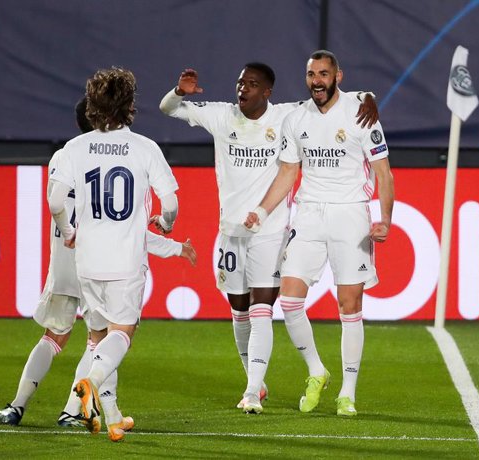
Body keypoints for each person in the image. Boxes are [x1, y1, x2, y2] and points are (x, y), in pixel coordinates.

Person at [160, 64, 379, 413]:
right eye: (240, 82)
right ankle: (260, 381)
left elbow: (330, 99)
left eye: (251, 84)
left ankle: (249, 393)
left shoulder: (286, 115)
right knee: (239, 312)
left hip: (270, 230)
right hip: (231, 232)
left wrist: (368, 97)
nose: (242, 89)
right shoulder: (221, 116)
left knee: (263, 308)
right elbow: (167, 109)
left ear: (267, 92)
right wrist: (179, 92)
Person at [0, 92, 191, 441]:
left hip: (65, 257)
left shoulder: (66, 153)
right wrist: (174, 245)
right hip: (99, 254)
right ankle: (73, 409)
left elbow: (56, 201)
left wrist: (67, 231)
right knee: (105, 337)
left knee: (53, 336)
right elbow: (132, 220)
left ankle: (18, 405)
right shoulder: (135, 151)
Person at [244, 50, 394, 416]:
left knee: (349, 306)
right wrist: (263, 210)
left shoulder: (361, 112)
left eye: (324, 74)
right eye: (312, 74)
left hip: (350, 216)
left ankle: (348, 392)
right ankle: (316, 370)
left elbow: (384, 173)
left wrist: (385, 219)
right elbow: (287, 172)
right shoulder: (297, 117)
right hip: (309, 213)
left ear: (338, 76)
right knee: (291, 301)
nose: (317, 81)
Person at [49, 68, 179, 442]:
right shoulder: (144, 147)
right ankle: (88, 384)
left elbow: (56, 200)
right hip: (124, 260)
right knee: (122, 333)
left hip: (87, 260)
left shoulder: (74, 148)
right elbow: (169, 203)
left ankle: (113, 415)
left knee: (99, 336)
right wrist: (166, 224)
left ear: (92, 104)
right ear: (129, 105)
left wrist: (70, 230)